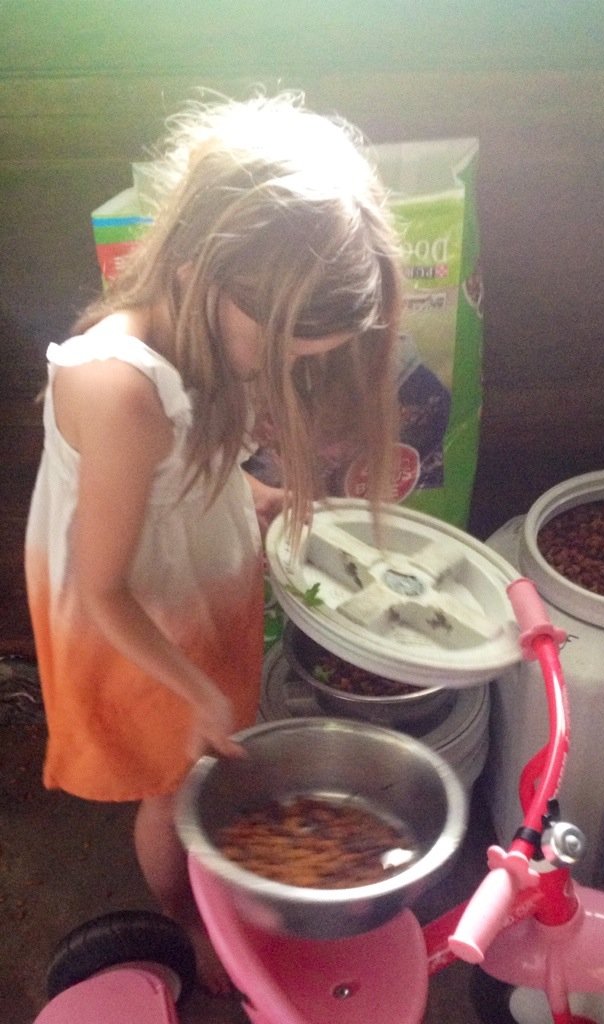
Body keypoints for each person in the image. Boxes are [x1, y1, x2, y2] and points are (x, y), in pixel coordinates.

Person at [24, 91, 402, 993]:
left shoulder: (198, 334)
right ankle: (188, 925)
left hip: (188, 580)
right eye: (282, 352)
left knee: (213, 747)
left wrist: (249, 493)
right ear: (201, 267)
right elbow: (105, 583)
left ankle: (212, 891)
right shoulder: (119, 390)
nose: (290, 372)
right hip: (131, 624)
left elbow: (183, 464)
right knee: (176, 783)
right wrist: (192, 690)